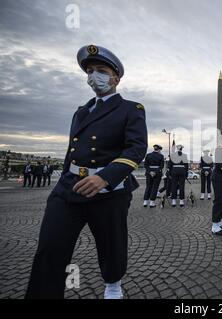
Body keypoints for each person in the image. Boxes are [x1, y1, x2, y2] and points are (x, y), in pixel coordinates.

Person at [26, 45, 147, 299]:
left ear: (116, 78)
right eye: (90, 71)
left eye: (101, 71)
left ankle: (113, 283)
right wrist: (64, 181)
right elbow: (73, 149)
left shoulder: (131, 109)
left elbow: (136, 148)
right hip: (69, 186)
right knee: (50, 247)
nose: (94, 76)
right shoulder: (81, 111)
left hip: (108, 191)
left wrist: (105, 177)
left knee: (111, 245)